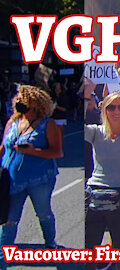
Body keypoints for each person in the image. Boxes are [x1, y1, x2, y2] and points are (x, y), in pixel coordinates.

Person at [83, 61, 120, 270]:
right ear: (104, 109)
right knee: (89, 252)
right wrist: (87, 93)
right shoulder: (95, 132)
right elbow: (76, 123)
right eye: (111, 107)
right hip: (94, 195)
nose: (116, 111)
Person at [0, 85, 62, 268]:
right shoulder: (12, 122)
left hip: (40, 179)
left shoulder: (48, 125)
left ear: (36, 104)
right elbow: (4, 146)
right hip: (12, 180)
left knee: (43, 213)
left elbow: (57, 152)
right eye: (18, 99)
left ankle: (50, 244)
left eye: (24, 100)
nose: (19, 102)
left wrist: (33, 151)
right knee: (9, 218)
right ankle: (3, 257)